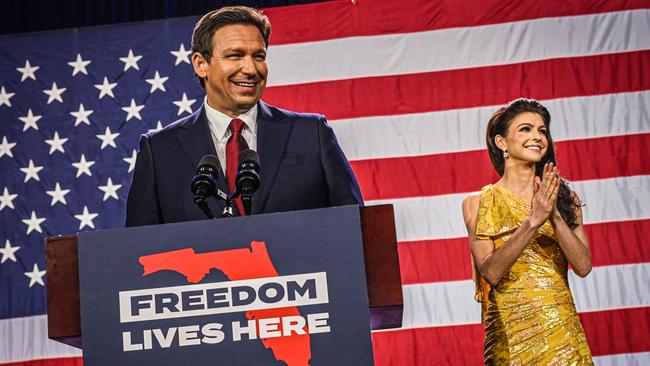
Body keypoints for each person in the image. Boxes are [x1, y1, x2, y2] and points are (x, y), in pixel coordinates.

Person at [125, 6, 363, 226]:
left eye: (259, 56)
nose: (251, 69)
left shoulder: (312, 133)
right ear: (200, 64)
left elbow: (354, 226)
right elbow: (139, 249)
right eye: (235, 56)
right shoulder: (159, 150)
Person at [461, 98, 593, 364]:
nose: (537, 137)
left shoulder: (566, 199)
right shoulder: (478, 202)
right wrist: (533, 220)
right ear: (501, 142)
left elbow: (583, 266)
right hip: (510, 339)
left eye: (542, 130)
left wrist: (553, 215)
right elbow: (492, 272)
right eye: (525, 129)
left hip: (561, 334)